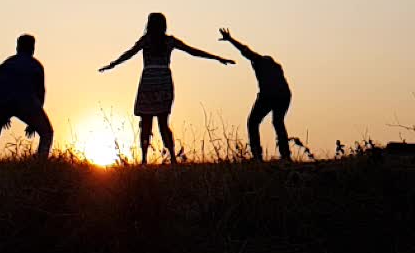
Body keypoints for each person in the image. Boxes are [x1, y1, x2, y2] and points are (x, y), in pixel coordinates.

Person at [99, 12, 234, 164]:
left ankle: (144, 160)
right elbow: (193, 51)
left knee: (146, 122)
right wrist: (217, 58)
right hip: (163, 81)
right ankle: (173, 158)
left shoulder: (146, 41)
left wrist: (112, 64)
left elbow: (128, 54)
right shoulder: (169, 41)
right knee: (163, 123)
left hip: (149, 82)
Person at [219, 28, 293, 161]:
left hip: (270, 95)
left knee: (253, 122)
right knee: (278, 122)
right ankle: (285, 155)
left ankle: (257, 156)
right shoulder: (276, 66)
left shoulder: (259, 61)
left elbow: (245, 50)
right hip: (284, 95)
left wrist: (230, 39)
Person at [0, 34, 54, 163]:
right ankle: (40, 165)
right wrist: (34, 120)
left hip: (2, 102)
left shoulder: (6, 64)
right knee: (47, 133)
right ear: (32, 48)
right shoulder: (36, 66)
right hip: (27, 103)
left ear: (17, 47)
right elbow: (40, 92)